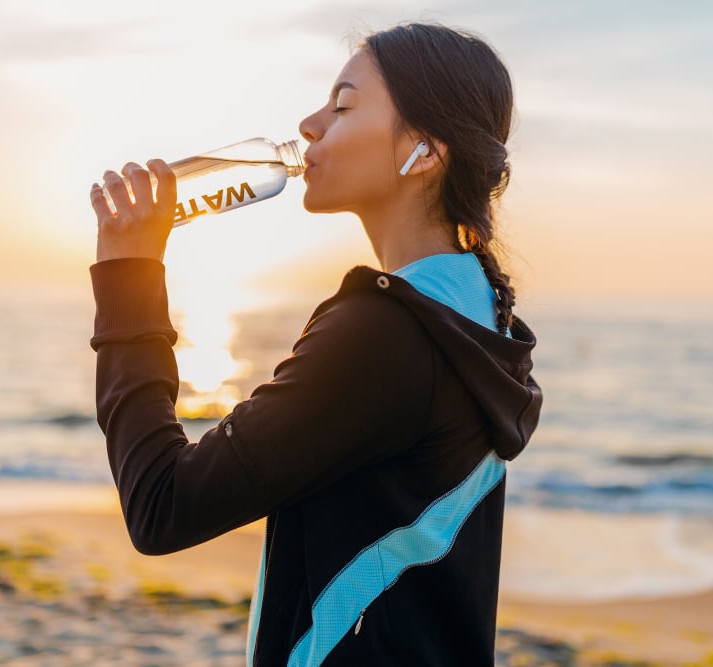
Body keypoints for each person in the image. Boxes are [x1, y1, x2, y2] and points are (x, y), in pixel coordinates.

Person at [88, 22, 542, 666]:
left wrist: (129, 276)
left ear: (424, 150)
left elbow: (163, 505)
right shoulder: (480, 314)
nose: (309, 125)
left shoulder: (385, 331)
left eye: (344, 105)